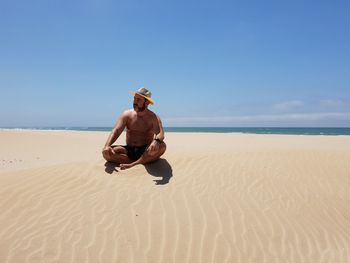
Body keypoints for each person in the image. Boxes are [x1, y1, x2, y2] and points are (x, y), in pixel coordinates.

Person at [102, 87, 166, 170]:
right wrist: (107, 146)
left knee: (162, 146)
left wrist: (156, 141)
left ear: (147, 102)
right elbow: (116, 130)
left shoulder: (153, 117)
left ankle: (133, 163)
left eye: (139, 99)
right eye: (134, 99)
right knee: (106, 153)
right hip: (129, 149)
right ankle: (141, 161)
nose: (135, 102)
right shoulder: (127, 114)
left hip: (146, 150)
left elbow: (161, 133)